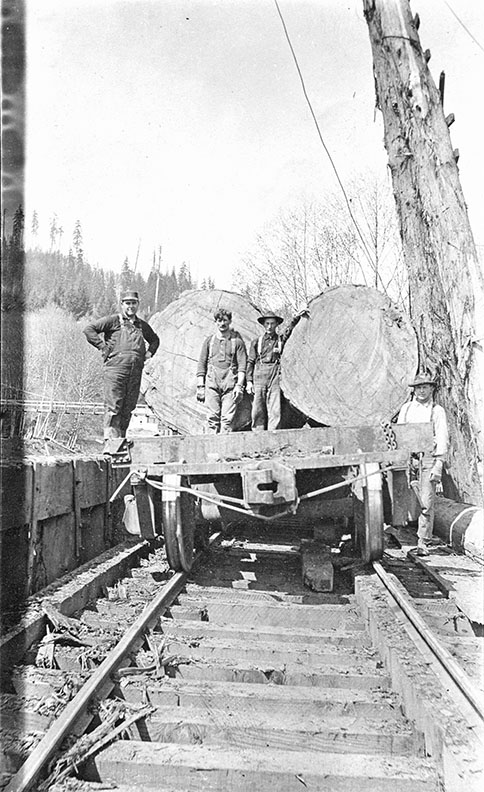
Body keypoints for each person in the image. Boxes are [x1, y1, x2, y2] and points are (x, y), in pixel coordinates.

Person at [83, 290, 159, 449]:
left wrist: (149, 353)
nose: (131, 306)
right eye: (128, 303)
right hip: (115, 370)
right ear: (122, 304)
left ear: (138, 304)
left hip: (135, 371)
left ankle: (121, 442)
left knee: (128, 407)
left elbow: (154, 340)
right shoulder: (113, 321)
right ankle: (110, 445)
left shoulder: (141, 325)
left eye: (134, 303)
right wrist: (103, 347)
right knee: (113, 406)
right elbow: (89, 329)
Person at [397, 372, 449, 555]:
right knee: (408, 497)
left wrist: (439, 463)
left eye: (424, 387)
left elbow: (442, 438)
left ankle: (423, 541)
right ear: (414, 390)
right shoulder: (406, 409)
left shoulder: (437, 411)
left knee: (426, 501)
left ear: (431, 389)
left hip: (428, 458)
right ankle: (401, 530)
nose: (421, 391)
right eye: (418, 388)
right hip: (410, 458)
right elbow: (399, 433)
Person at [196, 308, 247, 433]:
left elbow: (242, 367)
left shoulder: (238, 342)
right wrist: (200, 386)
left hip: (230, 386)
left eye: (225, 320)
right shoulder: (209, 341)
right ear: (215, 322)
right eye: (219, 321)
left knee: (227, 420)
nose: (222, 324)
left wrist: (239, 386)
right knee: (212, 419)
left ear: (230, 321)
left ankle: (224, 450)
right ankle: (211, 449)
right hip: (212, 385)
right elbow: (201, 365)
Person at [246, 313, 285, 431]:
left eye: (272, 324)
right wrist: (249, 381)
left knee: (275, 406)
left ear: (277, 324)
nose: (269, 326)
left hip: (275, 373)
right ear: (263, 325)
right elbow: (250, 362)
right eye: (267, 324)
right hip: (259, 374)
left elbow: (290, 330)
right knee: (258, 407)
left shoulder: (281, 340)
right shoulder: (257, 342)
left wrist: (298, 316)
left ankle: (273, 433)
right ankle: (258, 433)